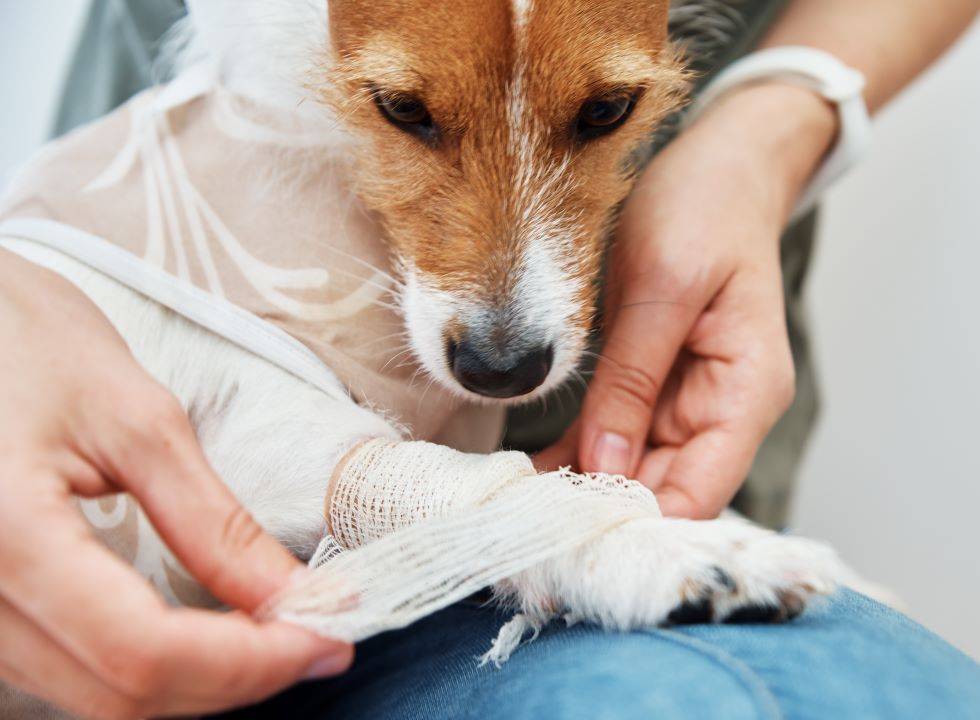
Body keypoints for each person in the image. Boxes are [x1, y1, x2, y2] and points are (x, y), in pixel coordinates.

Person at [1, 1, 977, 718]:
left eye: (600, 111)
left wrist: (778, 119)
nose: (503, 313)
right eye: (407, 110)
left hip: (622, 458)